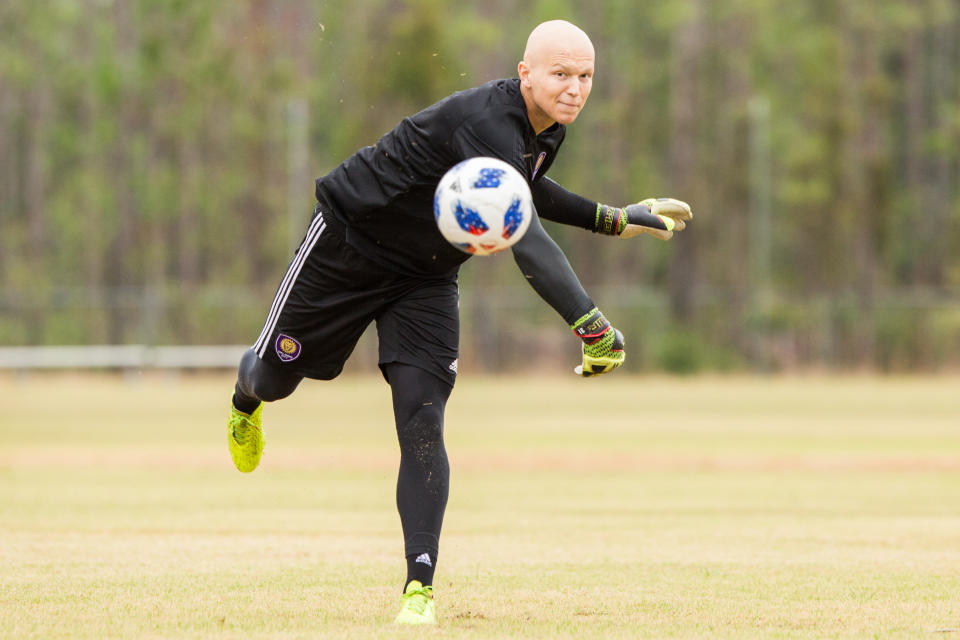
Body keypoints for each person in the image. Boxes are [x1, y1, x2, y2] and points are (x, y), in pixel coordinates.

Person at [226, 19, 691, 626]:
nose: (575, 88)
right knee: (274, 378)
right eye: (560, 74)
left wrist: (613, 217)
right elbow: (524, 232)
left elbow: (529, 191)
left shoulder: (546, 129)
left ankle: (418, 586)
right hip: (348, 244)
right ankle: (244, 400)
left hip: (425, 276)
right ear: (525, 73)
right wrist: (592, 324)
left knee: (423, 417)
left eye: (585, 77)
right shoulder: (487, 120)